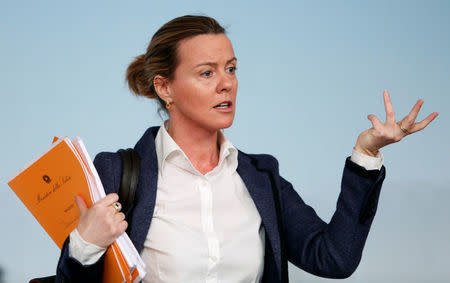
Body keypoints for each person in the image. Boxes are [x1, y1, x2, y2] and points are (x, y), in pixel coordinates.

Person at [55, 15, 438, 282]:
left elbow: (334, 258)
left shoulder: (261, 178)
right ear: (164, 88)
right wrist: (85, 245)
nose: (227, 84)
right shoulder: (113, 173)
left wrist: (366, 155)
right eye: (207, 72)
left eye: (232, 68)